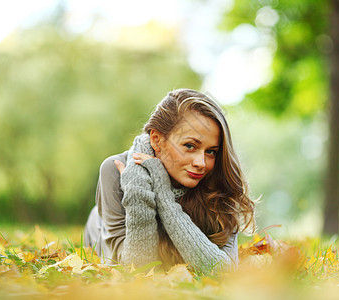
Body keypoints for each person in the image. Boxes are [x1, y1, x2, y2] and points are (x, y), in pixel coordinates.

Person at [84, 88, 255, 274]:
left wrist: (164, 197)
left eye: (211, 151)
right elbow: (134, 271)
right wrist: (137, 190)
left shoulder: (218, 184)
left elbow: (225, 272)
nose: (201, 163)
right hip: (98, 230)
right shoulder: (116, 170)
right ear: (157, 140)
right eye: (190, 146)